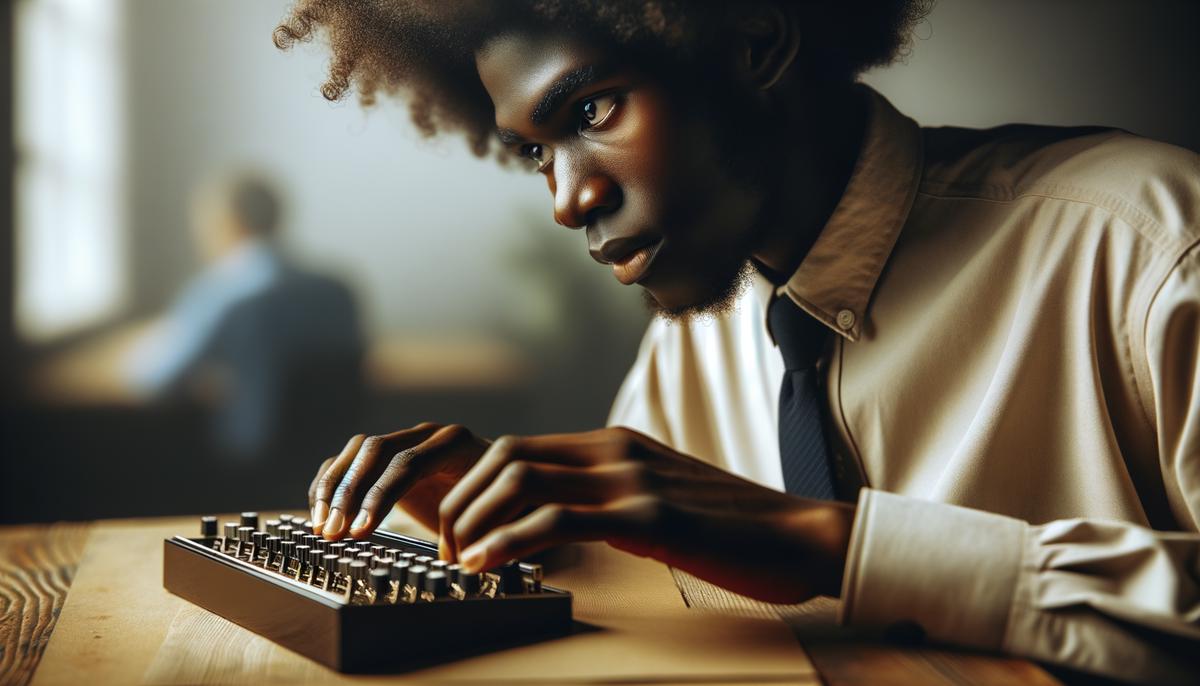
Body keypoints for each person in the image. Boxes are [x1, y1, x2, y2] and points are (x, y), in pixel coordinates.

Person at [274, 3, 1200, 682]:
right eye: (536, 151)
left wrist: (831, 547)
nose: (567, 200)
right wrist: (525, 534)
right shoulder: (699, 320)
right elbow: (650, 601)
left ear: (756, 43)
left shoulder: (1151, 245)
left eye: (591, 112)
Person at [127, 172, 365, 474]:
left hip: (253, 455)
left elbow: (156, 380)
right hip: (337, 456)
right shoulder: (338, 289)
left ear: (226, 221)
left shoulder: (224, 291)